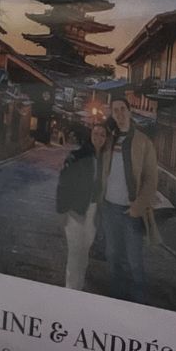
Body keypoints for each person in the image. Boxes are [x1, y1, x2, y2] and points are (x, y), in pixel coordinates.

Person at [98, 97, 159, 303]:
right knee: (113, 255)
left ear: (130, 111)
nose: (120, 113)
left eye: (123, 109)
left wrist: (137, 207)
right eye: (115, 110)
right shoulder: (109, 139)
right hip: (109, 207)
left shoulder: (143, 142)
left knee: (134, 261)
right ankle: (117, 298)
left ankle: (139, 303)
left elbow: (151, 179)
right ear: (112, 114)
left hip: (130, 210)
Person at [55, 121, 105, 289]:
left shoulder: (106, 161)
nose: (98, 137)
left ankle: (79, 290)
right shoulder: (78, 156)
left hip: (93, 212)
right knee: (75, 254)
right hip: (75, 211)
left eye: (102, 135)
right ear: (91, 136)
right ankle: (70, 290)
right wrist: (62, 211)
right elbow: (64, 183)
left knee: (84, 255)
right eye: (95, 133)